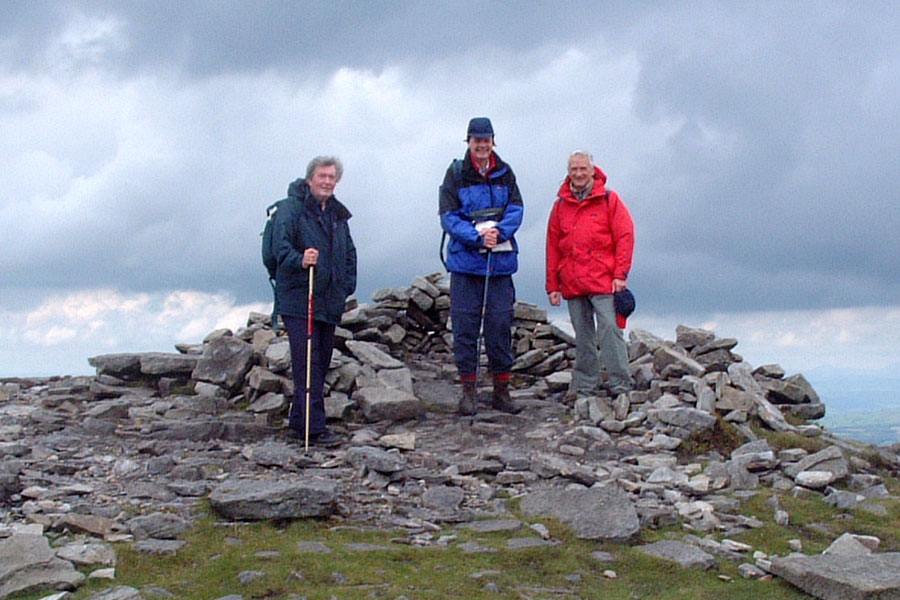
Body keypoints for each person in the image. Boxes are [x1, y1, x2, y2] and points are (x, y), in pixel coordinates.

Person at [439, 117, 524, 415]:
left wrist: (499, 233)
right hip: (466, 266)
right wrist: (476, 236)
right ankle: (468, 392)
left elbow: (516, 209)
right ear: (469, 142)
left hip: (499, 267)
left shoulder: (505, 173)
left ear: (492, 140)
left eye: (486, 139)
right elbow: (448, 216)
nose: (482, 144)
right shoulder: (455, 174)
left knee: (500, 327)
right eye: (477, 140)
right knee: (465, 329)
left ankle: (502, 391)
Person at [272, 156, 357, 446]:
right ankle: (314, 428)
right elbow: (280, 250)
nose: (327, 181)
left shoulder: (337, 215)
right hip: (299, 297)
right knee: (308, 362)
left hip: (328, 301)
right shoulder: (291, 210)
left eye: (332, 177)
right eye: (322, 176)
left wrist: (345, 286)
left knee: (320, 362)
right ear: (310, 179)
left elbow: (349, 254)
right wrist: (301, 260)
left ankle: (300, 422)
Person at [545, 150, 635, 398]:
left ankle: (621, 386)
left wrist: (621, 274)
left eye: (583, 168)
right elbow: (553, 246)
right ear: (569, 172)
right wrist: (553, 285)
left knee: (610, 331)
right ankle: (586, 387)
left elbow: (625, 236)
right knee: (583, 338)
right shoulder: (560, 206)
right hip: (572, 282)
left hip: (604, 280)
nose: (579, 173)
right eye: (574, 169)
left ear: (593, 171)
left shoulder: (609, 199)